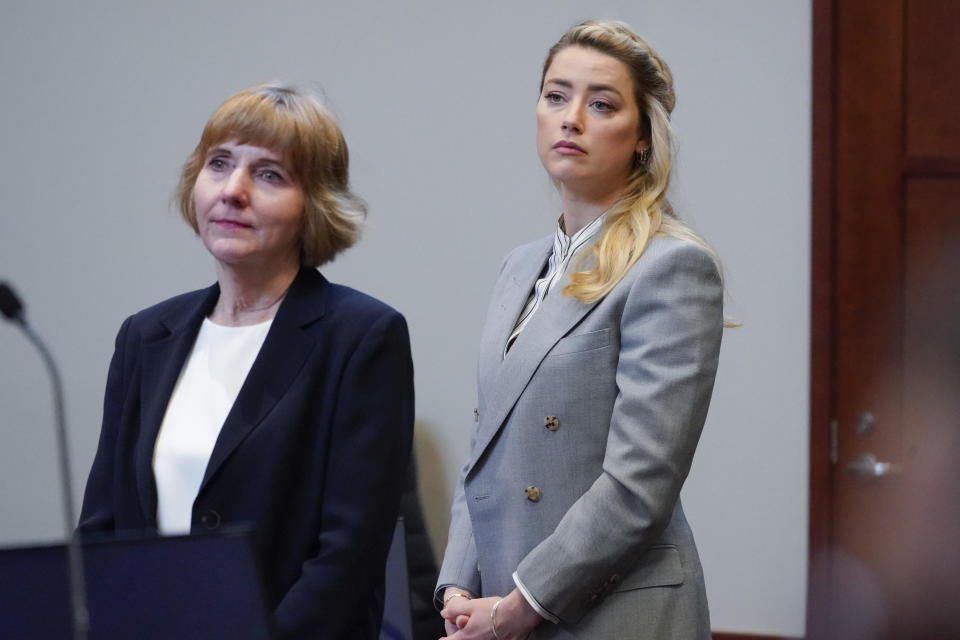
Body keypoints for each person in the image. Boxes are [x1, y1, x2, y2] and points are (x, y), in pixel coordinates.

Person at [78, 83, 415, 639]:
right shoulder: (145, 338)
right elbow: (102, 531)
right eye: (220, 163)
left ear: (314, 204)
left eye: (269, 174)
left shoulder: (361, 338)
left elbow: (347, 559)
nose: (233, 190)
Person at [436, 21, 725, 639]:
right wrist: (459, 584)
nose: (571, 119)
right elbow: (485, 445)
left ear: (643, 137)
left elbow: (639, 483)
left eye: (601, 104)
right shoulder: (518, 266)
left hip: (614, 609)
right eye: (555, 96)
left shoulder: (672, 264)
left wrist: (519, 606)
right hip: (500, 601)